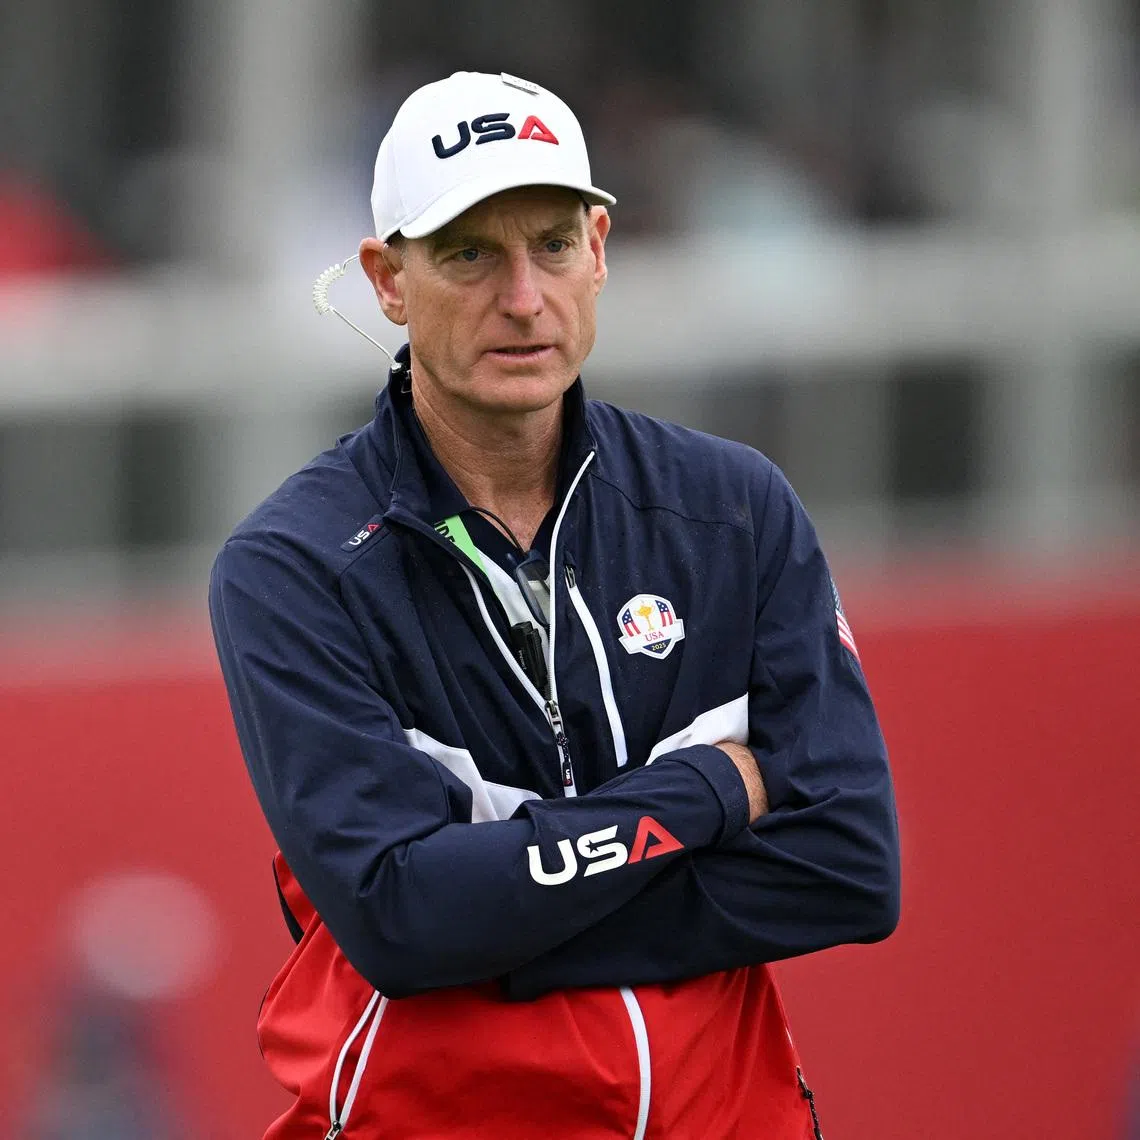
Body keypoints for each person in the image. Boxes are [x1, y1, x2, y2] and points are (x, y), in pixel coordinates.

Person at [209, 70, 900, 1140]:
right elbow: (400, 919)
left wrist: (500, 922)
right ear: (389, 280)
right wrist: (711, 793)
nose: (523, 298)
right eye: (469, 255)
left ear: (602, 250)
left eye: (553, 245)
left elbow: (850, 867)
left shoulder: (734, 508)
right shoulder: (293, 568)